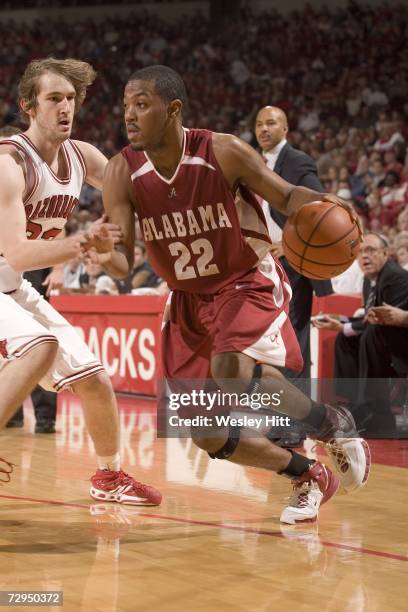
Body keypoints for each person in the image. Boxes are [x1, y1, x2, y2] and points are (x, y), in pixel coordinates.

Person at [98, 65, 369, 524]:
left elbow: (285, 196)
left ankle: (330, 423)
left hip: (243, 278)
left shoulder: (222, 150)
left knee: (231, 369)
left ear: (173, 109)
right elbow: (123, 261)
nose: (129, 115)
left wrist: (334, 207)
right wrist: (105, 255)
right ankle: (308, 475)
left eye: (141, 105)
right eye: (126, 105)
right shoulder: (122, 170)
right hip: (186, 299)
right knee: (207, 434)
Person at [0, 58, 161, 505]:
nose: (65, 107)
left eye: (71, 98)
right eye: (54, 98)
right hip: (5, 272)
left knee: (94, 379)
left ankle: (109, 476)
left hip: (9, 285)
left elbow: (140, 192)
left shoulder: (83, 155)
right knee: (40, 344)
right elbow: (18, 253)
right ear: (28, 105)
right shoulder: (9, 162)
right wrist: (82, 242)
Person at [254, 106, 332, 381]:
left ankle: (296, 414)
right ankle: (279, 404)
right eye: (259, 124)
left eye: (271, 123)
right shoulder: (254, 163)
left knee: (291, 335)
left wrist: (291, 246)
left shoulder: (297, 161)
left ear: (285, 128)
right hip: (264, 260)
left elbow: (319, 207)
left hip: (292, 260)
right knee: (269, 335)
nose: (264, 129)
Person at [313, 232, 408, 435]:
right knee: (345, 339)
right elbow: (369, 317)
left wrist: (347, 327)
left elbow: (386, 320)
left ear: (385, 254)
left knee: (369, 334)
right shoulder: (368, 280)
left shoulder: (395, 277)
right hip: (384, 335)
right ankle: (352, 402)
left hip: (400, 340)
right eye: (360, 252)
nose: (364, 256)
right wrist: (341, 322)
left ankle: (378, 411)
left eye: (371, 250)